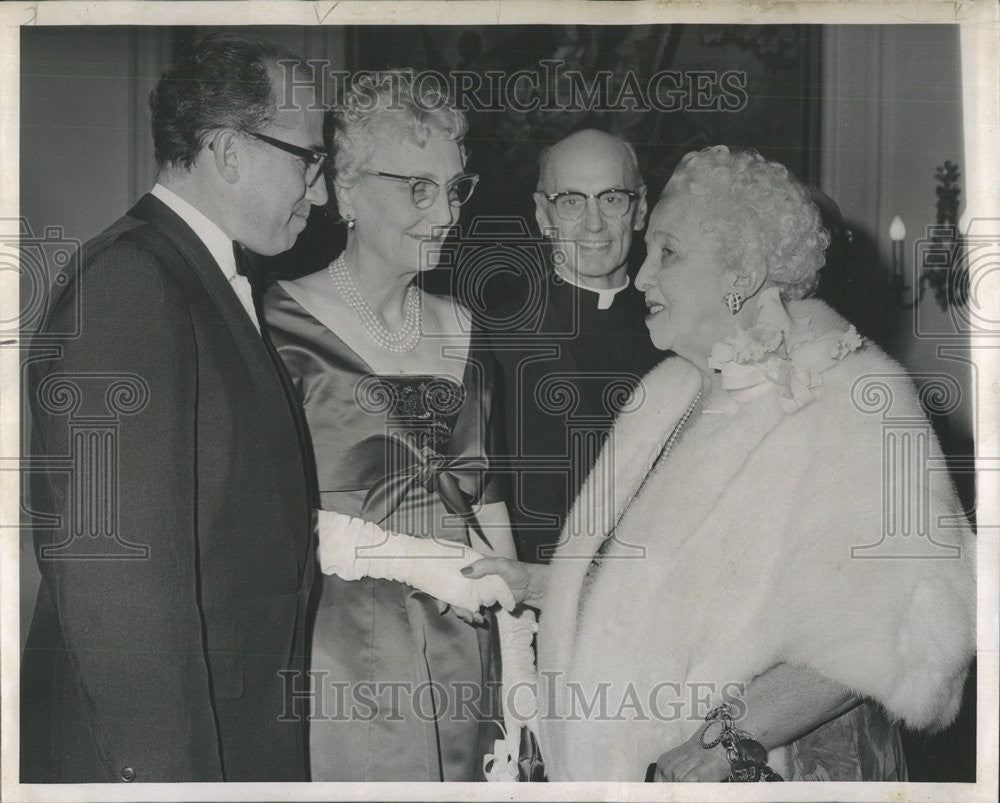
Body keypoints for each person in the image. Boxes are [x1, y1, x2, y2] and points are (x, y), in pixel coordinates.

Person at [464, 146, 976, 781]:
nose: (643, 276)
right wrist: (547, 586)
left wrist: (726, 744)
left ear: (742, 270)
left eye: (668, 254)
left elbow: (898, 630)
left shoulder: (853, 398)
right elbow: (684, 587)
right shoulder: (671, 393)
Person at [20, 34, 328, 783]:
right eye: (307, 160)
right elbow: (113, 581)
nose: (319, 193)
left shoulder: (194, 276)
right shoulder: (132, 284)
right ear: (227, 150)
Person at [263, 70, 519, 782]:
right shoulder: (277, 323)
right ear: (345, 189)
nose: (445, 213)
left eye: (455, 187)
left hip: (467, 641)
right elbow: (256, 518)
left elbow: (483, 496)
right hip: (342, 651)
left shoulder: (465, 327)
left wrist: (522, 641)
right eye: (417, 187)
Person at [486, 129, 662, 563]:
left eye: (612, 198)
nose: (594, 223)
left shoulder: (680, 333)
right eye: (571, 201)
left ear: (639, 209)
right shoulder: (493, 339)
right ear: (543, 216)